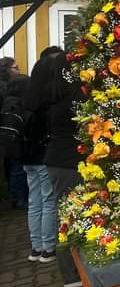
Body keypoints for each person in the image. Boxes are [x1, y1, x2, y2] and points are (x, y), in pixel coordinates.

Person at [41, 51, 83, 287]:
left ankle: (71, 269)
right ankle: (70, 273)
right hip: (68, 164)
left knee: (63, 212)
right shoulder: (71, 100)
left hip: (56, 161)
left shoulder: (51, 95)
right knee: (67, 217)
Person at [23, 50, 62, 264]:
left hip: (28, 156)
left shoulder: (28, 95)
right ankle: (49, 248)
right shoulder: (50, 98)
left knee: (34, 201)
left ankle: (36, 247)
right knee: (48, 201)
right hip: (44, 156)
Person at [1, 56, 29, 209]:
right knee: (17, 169)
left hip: (8, 138)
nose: (18, 70)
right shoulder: (10, 95)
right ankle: (18, 197)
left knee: (13, 168)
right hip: (13, 138)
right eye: (15, 67)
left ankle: (15, 196)